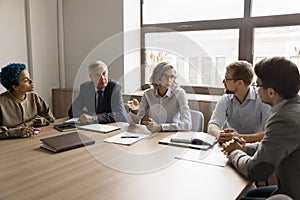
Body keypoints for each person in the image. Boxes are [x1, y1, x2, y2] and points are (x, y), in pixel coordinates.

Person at [222, 57, 300, 199]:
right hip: (287, 188)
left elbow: (256, 170)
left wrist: (234, 152)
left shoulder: (284, 119)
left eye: (257, 86)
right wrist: (245, 148)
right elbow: (272, 144)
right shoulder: (294, 109)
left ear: (271, 92)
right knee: (250, 193)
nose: (255, 90)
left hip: (292, 194)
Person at [208, 61, 271, 143]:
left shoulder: (262, 100)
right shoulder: (226, 99)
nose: (223, 82)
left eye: (227, 79)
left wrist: (239, 137)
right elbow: (212, 125)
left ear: (240, 83)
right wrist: (219, 134)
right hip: (228, 146)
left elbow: (269, 132)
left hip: (253, 149)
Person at [127, 62, 192, 132]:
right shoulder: (148, 94)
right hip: (153, 135)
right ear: (157, 77)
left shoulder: (179, 93)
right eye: (165, 76)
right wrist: (135, 112)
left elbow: (187, 125)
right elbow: (133, 124)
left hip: (171, 134)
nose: (169, 80)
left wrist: (160, 127)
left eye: (172, 76)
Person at [0, 63, 55, 139]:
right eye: (26, 80)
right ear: (15, 87)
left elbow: (50, 119)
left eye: (29, 78)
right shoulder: (1, 103)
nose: (31, 81)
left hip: (33, 140)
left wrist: (30, 123)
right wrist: (16, 132)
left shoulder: (34, 97)